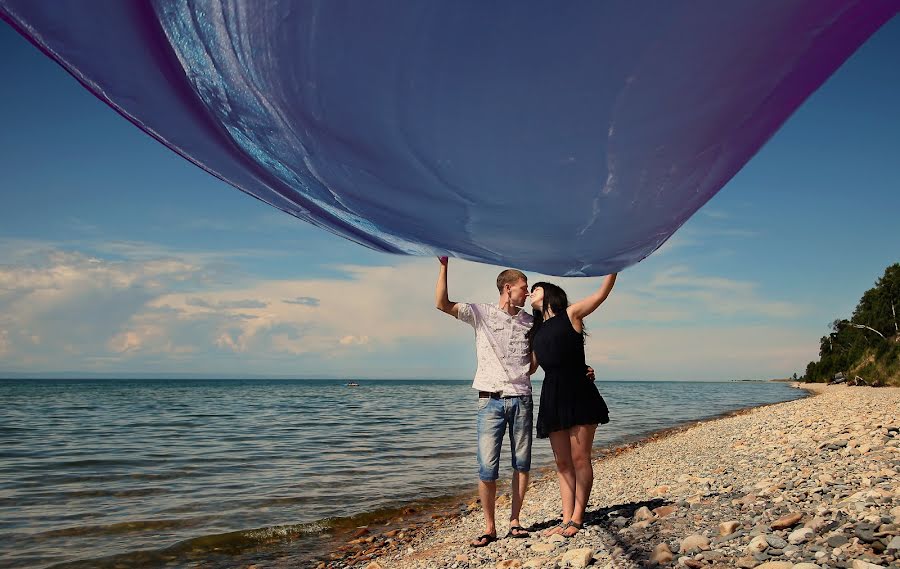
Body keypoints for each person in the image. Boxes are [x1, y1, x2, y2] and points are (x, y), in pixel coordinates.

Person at [435, 256, 534, 546]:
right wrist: (444, 266)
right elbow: (442, 303)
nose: (526, 294)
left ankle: (515, 521)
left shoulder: (530, 321)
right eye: (523, 288)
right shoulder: (482, 313)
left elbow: (538, 361)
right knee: (487, 467)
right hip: (489, 401)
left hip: (522, 398)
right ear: (507, 288)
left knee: (521, 464)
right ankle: (490, 528)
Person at [527, 274, 617, 537]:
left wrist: (612, 269)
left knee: (580, 459)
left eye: (536, 289)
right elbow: (531, 367)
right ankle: (565, 518)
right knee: (562, 463)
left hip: (578, 390)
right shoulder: (535, 331)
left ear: (550, 293)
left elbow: (600, 295)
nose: (531, 293)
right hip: (552, 394)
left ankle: (578, 517)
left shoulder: (571, 314)